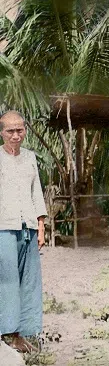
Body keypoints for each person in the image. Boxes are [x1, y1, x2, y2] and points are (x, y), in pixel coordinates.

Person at [0, 111, 47, 355]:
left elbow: (36, 192)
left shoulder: (30, 158)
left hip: (27, 227)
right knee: (7, 281)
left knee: (29, 281)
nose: (16, 135)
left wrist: (40, 225)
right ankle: (8, 333)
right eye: (10, 131)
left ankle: (26, 332)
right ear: (1, 133)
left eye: (20, 130)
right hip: (3, 228)